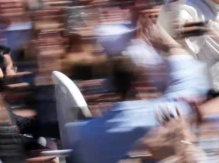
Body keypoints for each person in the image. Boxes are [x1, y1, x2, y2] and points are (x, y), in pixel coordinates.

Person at [67, 23, 209, 163]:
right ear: (139, 84)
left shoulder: (85, 133)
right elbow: (191, 78)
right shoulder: (168, 115)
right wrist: (169, 44)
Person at [0, 45, 59, 163]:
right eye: (11, 68)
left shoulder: (0, 106)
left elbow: (17, 132)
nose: (14, 73)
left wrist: (62, 127)